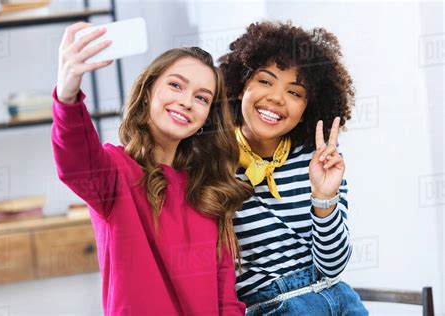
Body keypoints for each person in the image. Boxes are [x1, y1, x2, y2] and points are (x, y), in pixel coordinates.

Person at [51, 21, 251, 315]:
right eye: (175, 85)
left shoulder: (210, 193)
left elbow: (227, 302)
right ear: (147, 93)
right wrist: (67, 97)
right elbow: (75, 161)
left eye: (201, 98)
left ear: (206, 118)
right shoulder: (115, 174)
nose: (185, 102)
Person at [219, 21, 369, 315]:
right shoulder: (213, 161)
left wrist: (324, 197)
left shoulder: (318, 160)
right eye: (265, 81)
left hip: (339, 299)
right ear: (240, 87)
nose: (276, 98)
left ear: (306, 111)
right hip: (272, 307)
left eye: (295, 92)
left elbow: (333, 265)